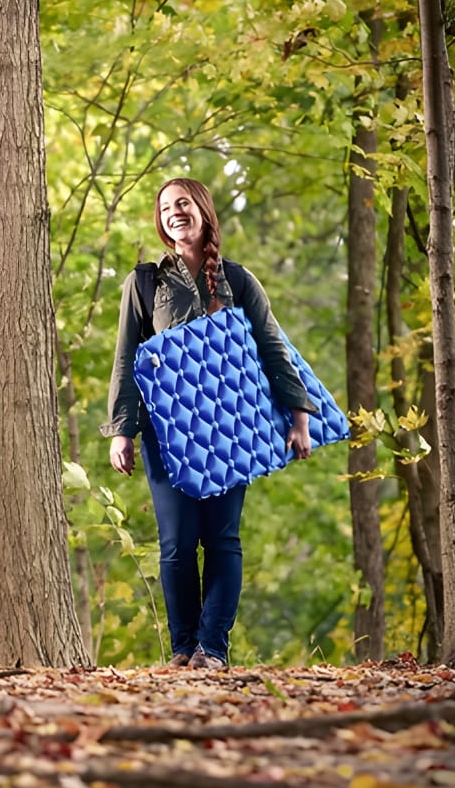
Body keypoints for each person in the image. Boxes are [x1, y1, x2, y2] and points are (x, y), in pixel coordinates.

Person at [102, 178, 316, 670]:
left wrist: (299, 417)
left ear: (203, 211)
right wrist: (122, 429)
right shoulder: (145, 282)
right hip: (165, 431)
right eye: (166, 207)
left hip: (229, 429)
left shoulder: (238, 281)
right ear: (160, 221)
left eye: (183, 203)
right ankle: (182, 649)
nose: (175, 212)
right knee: (177, 542)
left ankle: (211, 650)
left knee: (221, 538)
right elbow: (125, 359)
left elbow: (273, 347)